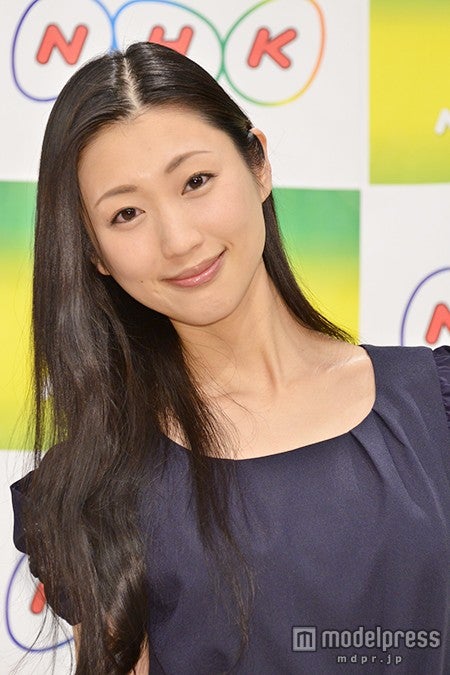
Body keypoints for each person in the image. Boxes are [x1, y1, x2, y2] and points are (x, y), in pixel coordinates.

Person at [10, 41, 450, 674]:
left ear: (258, 165)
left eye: (196, 181)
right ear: (94, 253)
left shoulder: (431, 405)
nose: (178, 238)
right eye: (127, 213)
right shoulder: (102, 482)